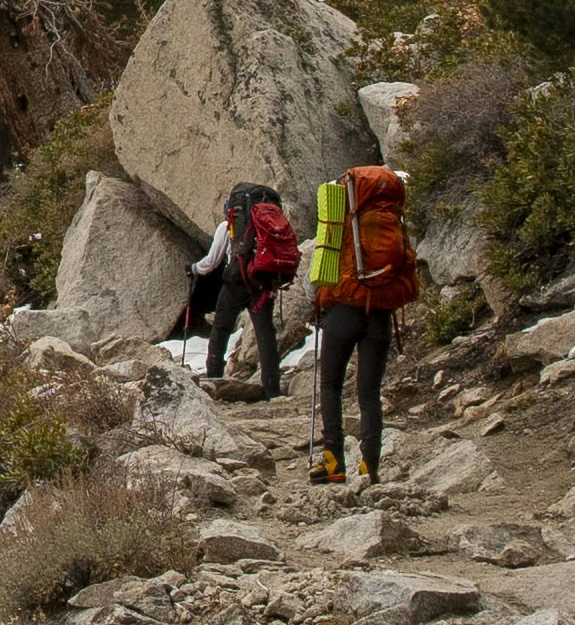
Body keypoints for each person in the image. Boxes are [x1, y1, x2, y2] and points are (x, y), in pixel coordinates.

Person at [306, 159, 422, 487]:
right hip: (381, 316)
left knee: (331, 385)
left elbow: (317, 270)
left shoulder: (343, 219)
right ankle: (369, 467)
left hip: (345, 310)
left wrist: (315, 292)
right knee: (369, 393)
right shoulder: (392, 217)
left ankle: (333, 462)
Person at [176, 183, 295, 399]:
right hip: (263, 281)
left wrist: (193, 269)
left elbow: (211, 262)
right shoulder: (267, 226)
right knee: (265, 333)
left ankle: (213, 380)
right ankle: (272, 387)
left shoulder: (228, 227)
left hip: (235, 281)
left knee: (221, 329)